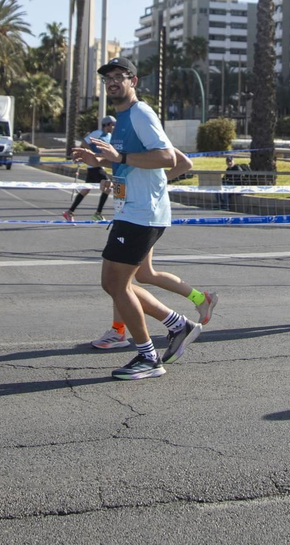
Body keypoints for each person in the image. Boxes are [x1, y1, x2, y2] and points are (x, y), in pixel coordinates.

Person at [72, 57, 212, 380]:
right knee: (123, 282)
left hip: (140, 215)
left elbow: (168, 158)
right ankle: (179, 325)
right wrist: (103, 162)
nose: (113, 82)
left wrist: (130, 168)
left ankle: (149, 357)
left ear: (133, 82)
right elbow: (133, 164)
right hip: (132, 210)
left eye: (120, 76)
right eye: (108, 78)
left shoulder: (140, 113)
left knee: (114, 283)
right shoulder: (122, 119)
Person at [89, 150, 209, 350]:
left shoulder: (145, 131)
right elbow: (128, 169)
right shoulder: (125, 135)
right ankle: (199, 298)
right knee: (143, 275)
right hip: (130, 213)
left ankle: (122, 332)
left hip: (141, 217)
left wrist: (158, 183)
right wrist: (113, 181)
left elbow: (183, 163)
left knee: (120, 281)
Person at [65, 116, 117, 222]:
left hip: (100, 165)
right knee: (108, 185)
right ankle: (98, 213)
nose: (114, 127)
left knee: (86, 189)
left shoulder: (110, 136)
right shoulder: (97, 134)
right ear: (107, 125)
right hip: (94, 166)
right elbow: (84, 143)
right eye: (112, 124)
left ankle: (69, 212)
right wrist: (92, 155)